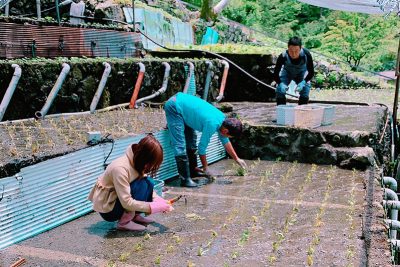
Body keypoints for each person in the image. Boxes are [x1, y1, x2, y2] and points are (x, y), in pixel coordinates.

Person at [88, 134, 173, 231]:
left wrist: (158, 200)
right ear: (144, 158)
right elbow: (127, 202)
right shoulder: (120, 169)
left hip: (119, 199)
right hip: (109, 209)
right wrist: (153, 207)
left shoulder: (137, 160)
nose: (149, 167)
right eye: (150, 164)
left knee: (147, 183)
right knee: (140, 185)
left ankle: (134, 216)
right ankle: (124, 222)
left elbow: (146, 186)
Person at [164, 92, 248, 188]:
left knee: (191, 141)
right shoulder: (212, 124)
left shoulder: (222, 120)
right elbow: (202, 148)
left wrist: (237, 159)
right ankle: (185, 180)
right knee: (179, 144)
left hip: (184, 106)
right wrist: (206, 168)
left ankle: (192, 171)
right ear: (225, 131)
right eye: (229, 136)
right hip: (174, 107)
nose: (227, 138)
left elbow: (225, 141)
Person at [273, 36, 315, 105]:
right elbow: (275, 74)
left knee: (305, 90)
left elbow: (311, 72)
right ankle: (282, 112)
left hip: (302, 73)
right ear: (288, 48)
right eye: (291, 51)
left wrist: (303, 82)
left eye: (296, 51)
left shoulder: (306, 55)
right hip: (287, 73)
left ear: (300, 48)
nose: (294, 54)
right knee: (279, 90)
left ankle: (301, 112)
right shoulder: (283, 56)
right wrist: (280, 84)